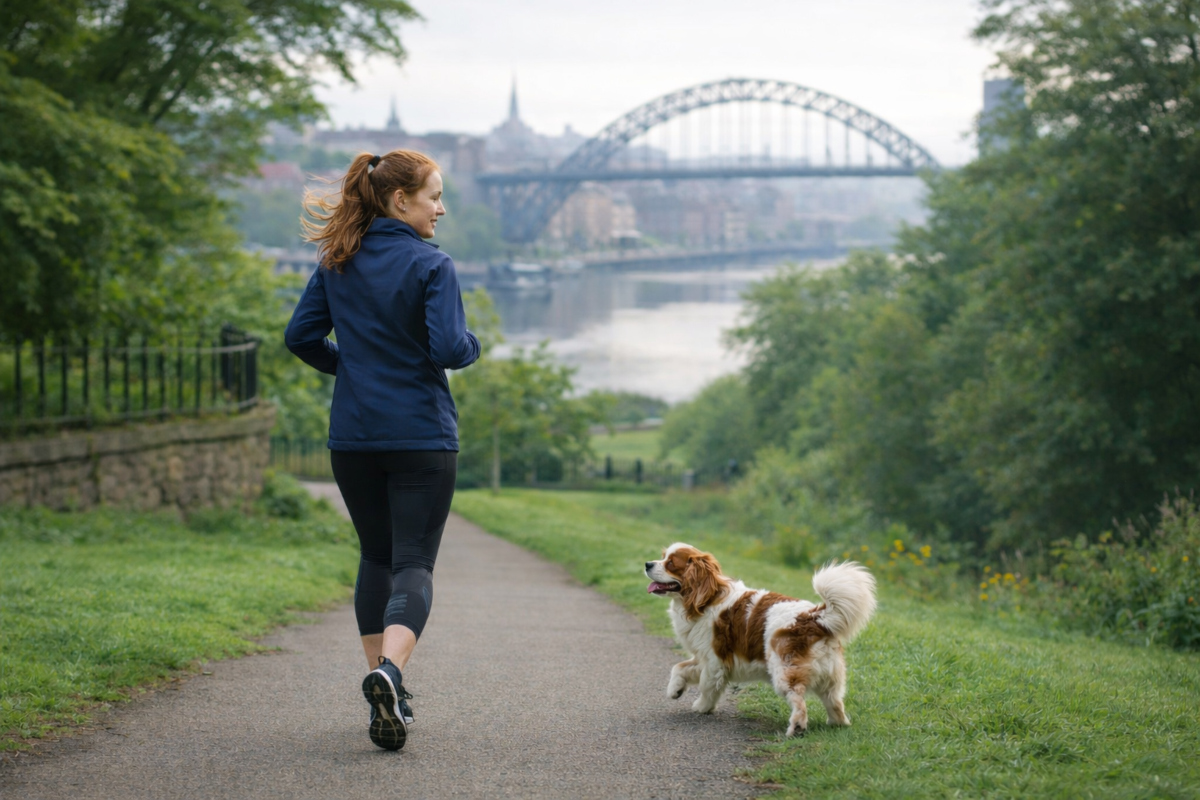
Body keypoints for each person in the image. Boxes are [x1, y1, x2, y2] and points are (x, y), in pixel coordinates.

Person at [284, 150, 481, 751]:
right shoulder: (433, 265)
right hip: (421, 433)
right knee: (414, 561)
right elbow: (449, 347)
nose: (441, 208)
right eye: (434, 197)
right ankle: (390, 674)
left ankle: (384, 685)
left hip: (355, 435)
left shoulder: (337, 260)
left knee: (375, 557)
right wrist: (472, 344)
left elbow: (300, 337)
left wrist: (352, 369)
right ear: (402, 201)